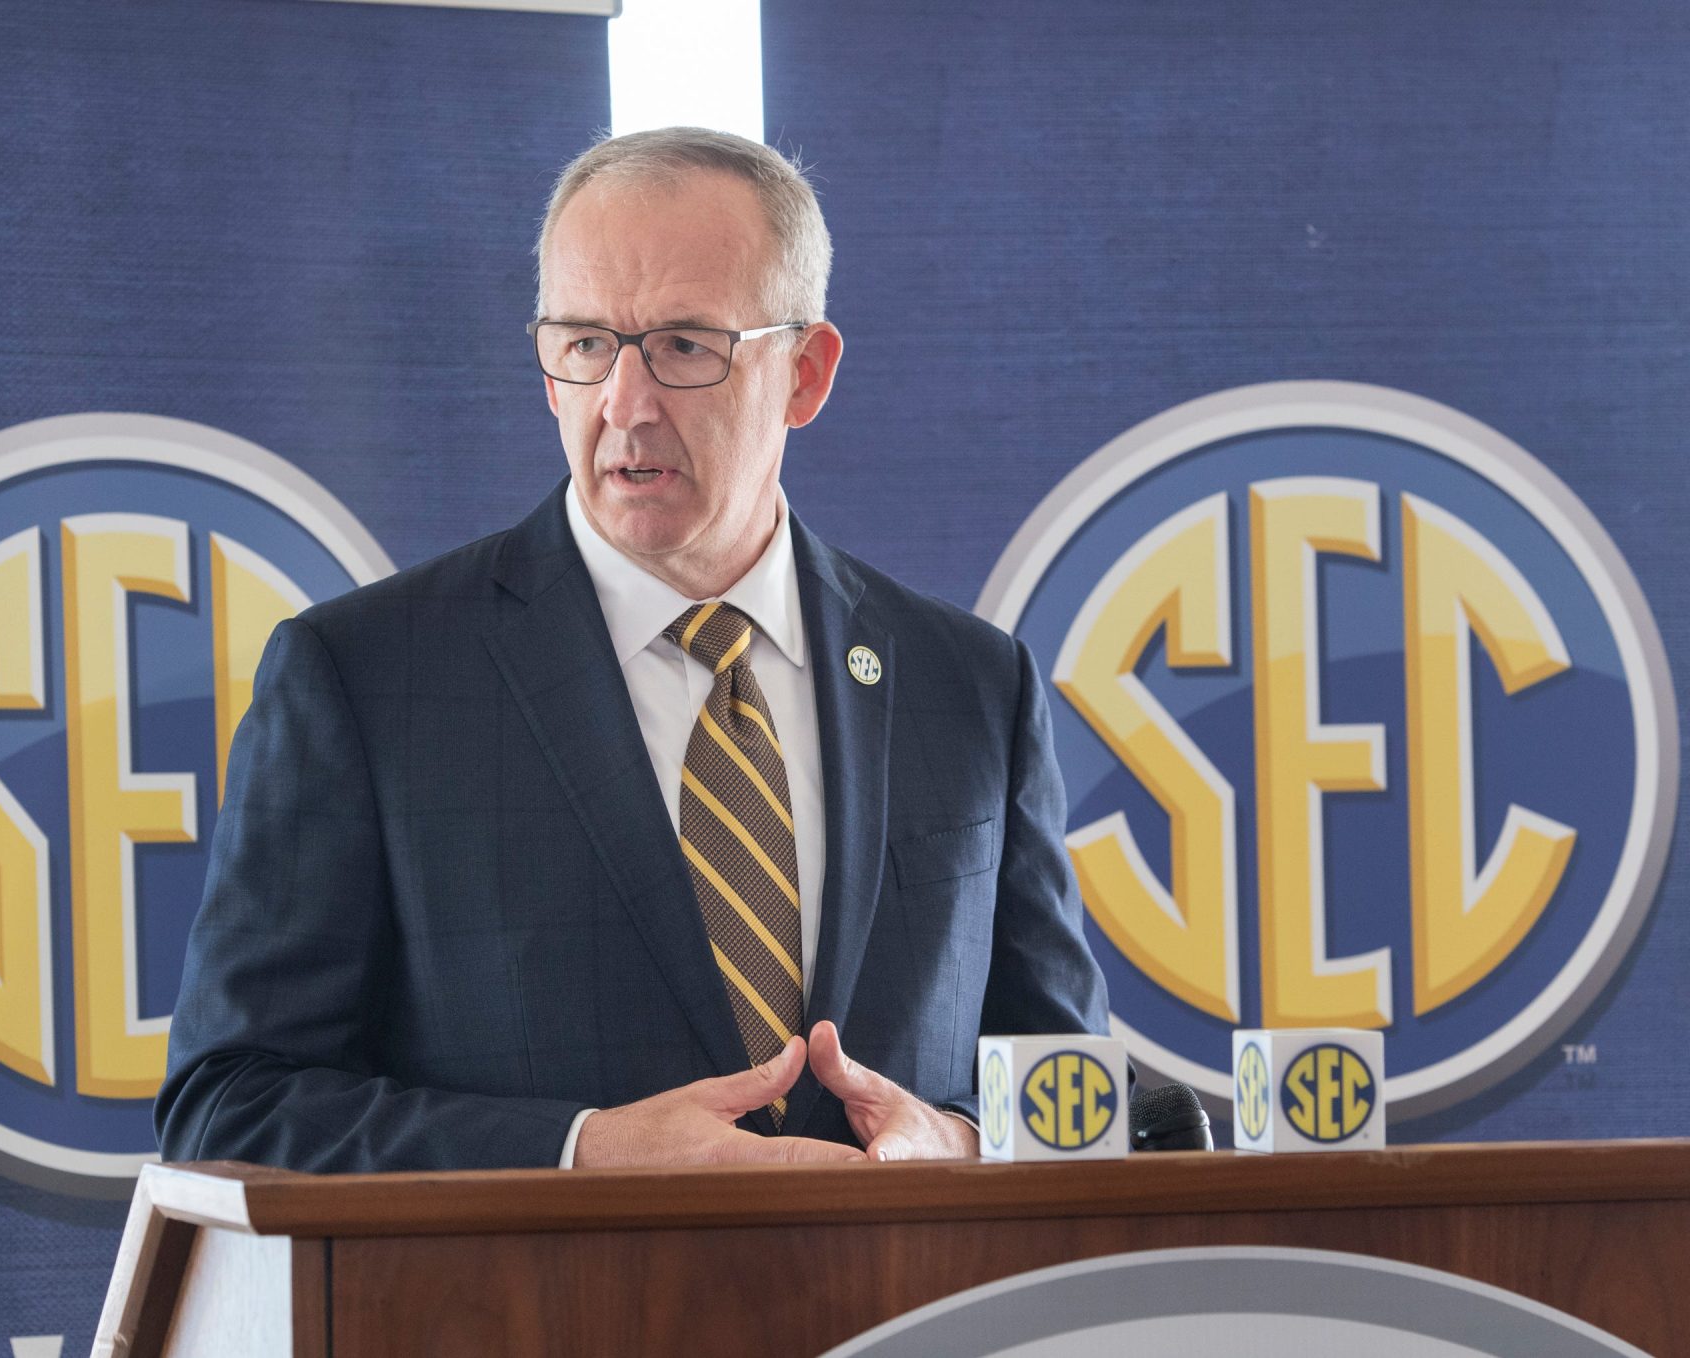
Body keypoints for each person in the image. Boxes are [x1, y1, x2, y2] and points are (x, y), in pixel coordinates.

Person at [156, 127, 1108, 1172]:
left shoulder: (969, 685)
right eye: (584, 344)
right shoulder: (366, 680)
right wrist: (577, 1151)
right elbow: (232, 1105)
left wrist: (961, 1141)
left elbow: (1069, 1089)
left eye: (684, 346)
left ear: (804, 371)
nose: (625, 403)